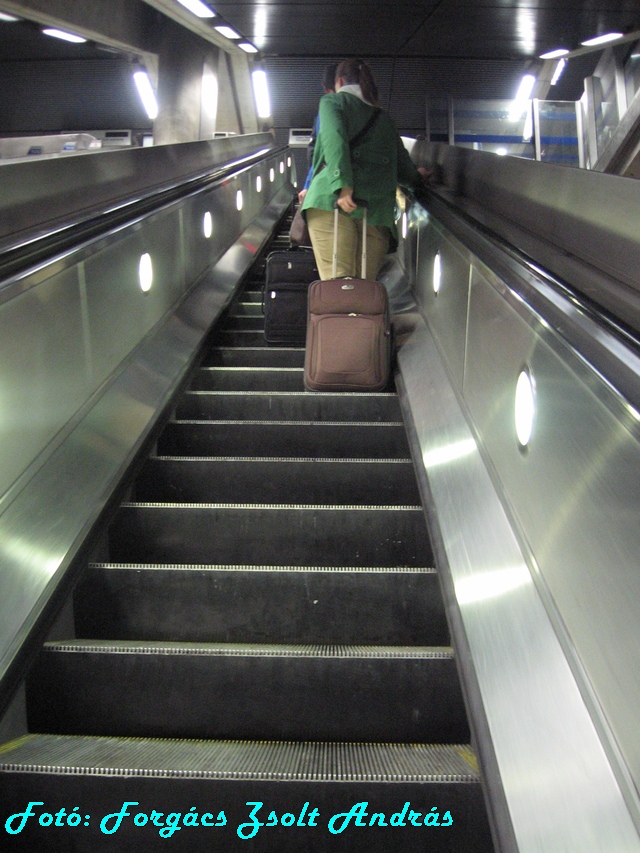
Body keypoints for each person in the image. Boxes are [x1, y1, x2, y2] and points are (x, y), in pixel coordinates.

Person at [301, 58, 430, 281]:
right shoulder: (385, 119)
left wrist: (343, 186)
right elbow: (403, 167)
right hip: (375, 211)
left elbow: (334, 138)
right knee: (363, 291)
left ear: (339, 80)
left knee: (339, 287)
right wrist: (419, 179)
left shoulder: (332, 103)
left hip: (332, 203)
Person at [297, 63, 338, 204]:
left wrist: (308, 185)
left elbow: (321, 153)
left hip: (327, 188)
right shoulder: (374, 111)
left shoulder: (328, 111)